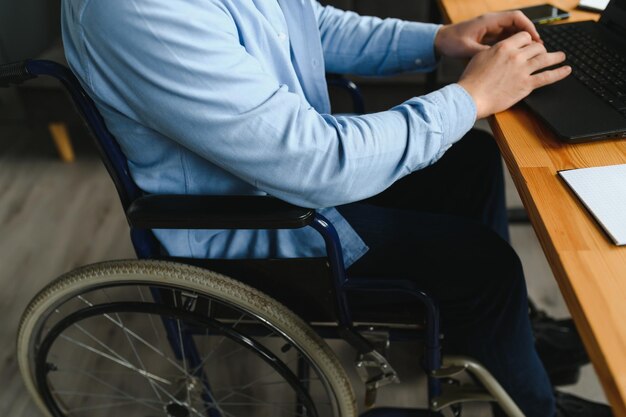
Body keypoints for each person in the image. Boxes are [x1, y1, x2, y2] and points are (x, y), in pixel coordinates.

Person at [60, 0, 611, 416]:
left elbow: (305, 24)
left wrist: (439, 38)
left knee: (469, 161)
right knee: (484, 267)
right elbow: (319, 165)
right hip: (252, 223)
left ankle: (489, 348)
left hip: (287, 176)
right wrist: (470, 98)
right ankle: (530, 400)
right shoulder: (139, 15)